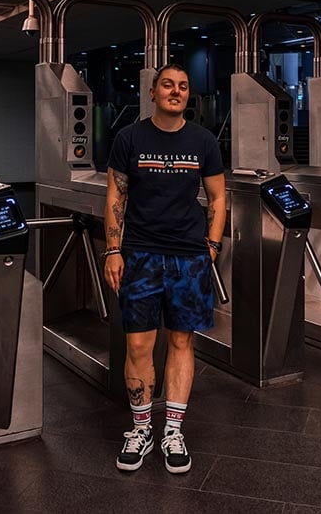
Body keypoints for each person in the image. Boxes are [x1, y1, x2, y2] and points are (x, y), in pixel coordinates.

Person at [103, 63, 226, 474]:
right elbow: (115, 196)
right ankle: (141, 430)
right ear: (153, 92)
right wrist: (113, 250)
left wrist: (211, 245)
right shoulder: (129, 137)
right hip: (139, 254)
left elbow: (218, 197)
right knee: (138, 345)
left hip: (188, 256)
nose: (176, 92)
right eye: (168, 85)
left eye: (183, 87)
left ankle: (173, 430)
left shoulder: (204, 141)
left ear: (189, 95)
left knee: (181, 342)